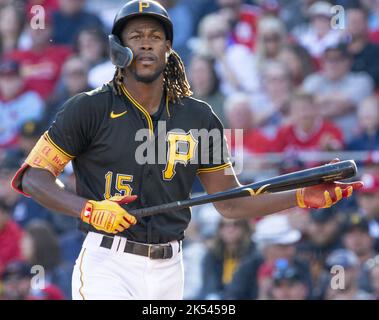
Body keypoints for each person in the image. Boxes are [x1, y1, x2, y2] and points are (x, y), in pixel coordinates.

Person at [11, 0, 362, 300]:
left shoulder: (200, 116)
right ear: (118, 47)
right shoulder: (86, 108)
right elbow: (33, 178)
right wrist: (88, 209)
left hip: (169, 267)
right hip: (107, 261)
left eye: (156, 36)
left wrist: (299, 196)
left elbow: (231, 202)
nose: (147, 44)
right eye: (136, 36)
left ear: (169, 48)